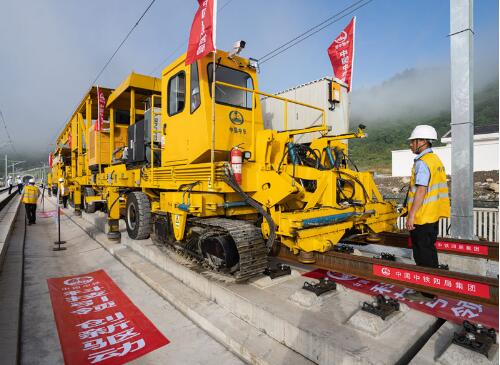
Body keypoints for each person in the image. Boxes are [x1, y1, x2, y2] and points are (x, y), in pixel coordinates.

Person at [404, 125, 450, 302]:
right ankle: (433, 286)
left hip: (422, 217)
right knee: (430, 251)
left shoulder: (422, 162)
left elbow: (421, 191)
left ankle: (426, 292)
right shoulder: (435, 160)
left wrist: (411, 215)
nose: (410, 145)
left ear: (422, 142)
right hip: (433, 215)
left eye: (412, 142)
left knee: (422, 254)